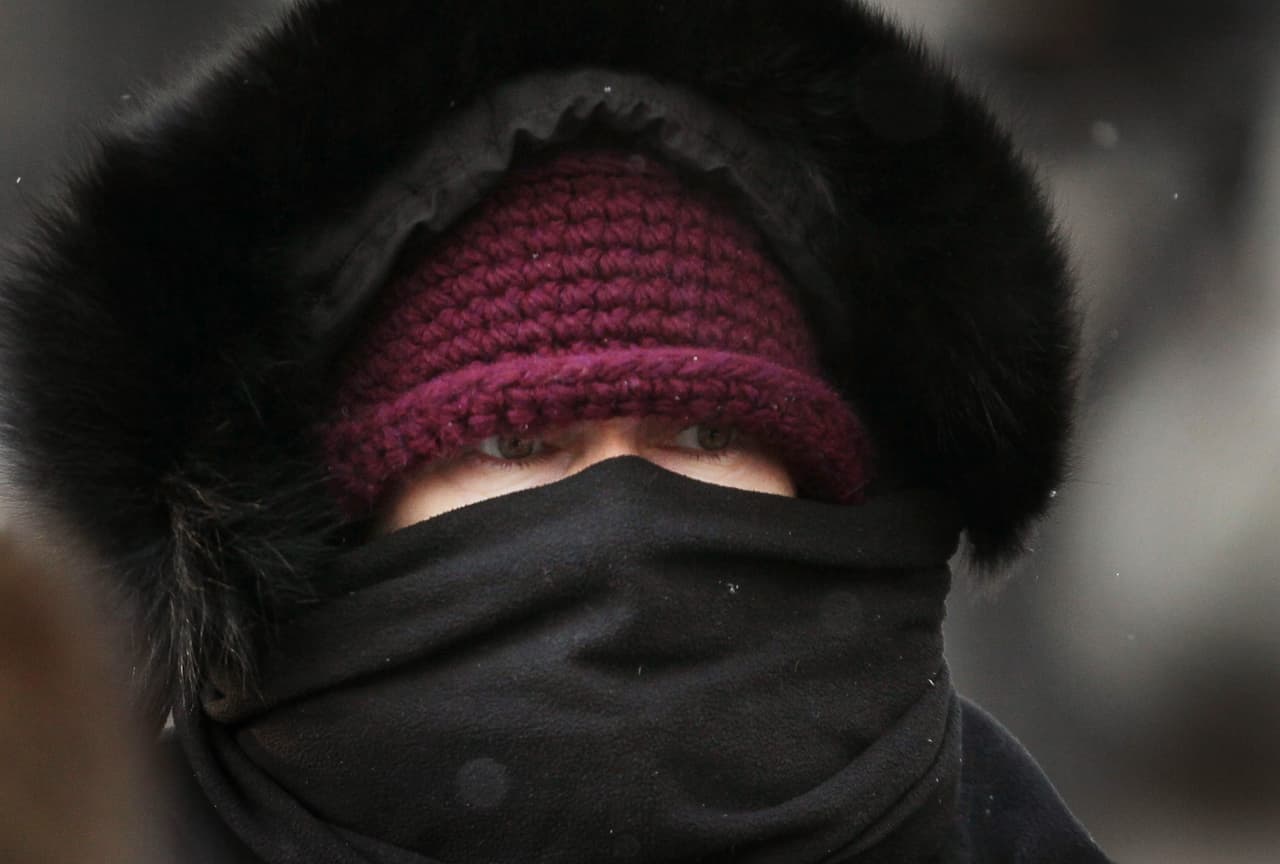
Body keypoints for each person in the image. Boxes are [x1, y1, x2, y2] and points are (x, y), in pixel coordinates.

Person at [0, 1, 1110, 861]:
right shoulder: (108, 838)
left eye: (702, 429)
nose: (618, 510)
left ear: (817, 483)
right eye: (510, 444)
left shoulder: (993, 833)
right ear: (354, 510)